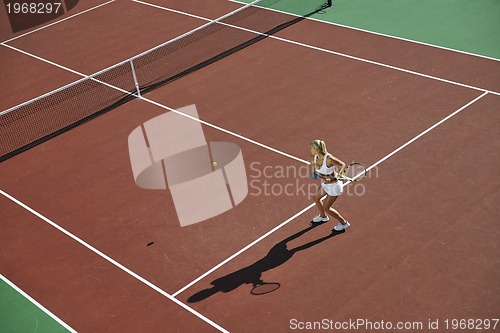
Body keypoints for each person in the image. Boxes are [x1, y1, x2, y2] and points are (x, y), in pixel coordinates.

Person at [310, 139, 350, 231]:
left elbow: (343, 165)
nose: (310, 149)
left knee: (326, 208)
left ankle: (344, 223)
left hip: (335, 186)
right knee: (315, 198)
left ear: (317, 149)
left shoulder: (329, 159)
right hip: (326, 184)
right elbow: (314, 175)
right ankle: (323, 217)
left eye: (311, 148)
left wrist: (340, 174)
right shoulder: (313, 157)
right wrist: (324, 178)